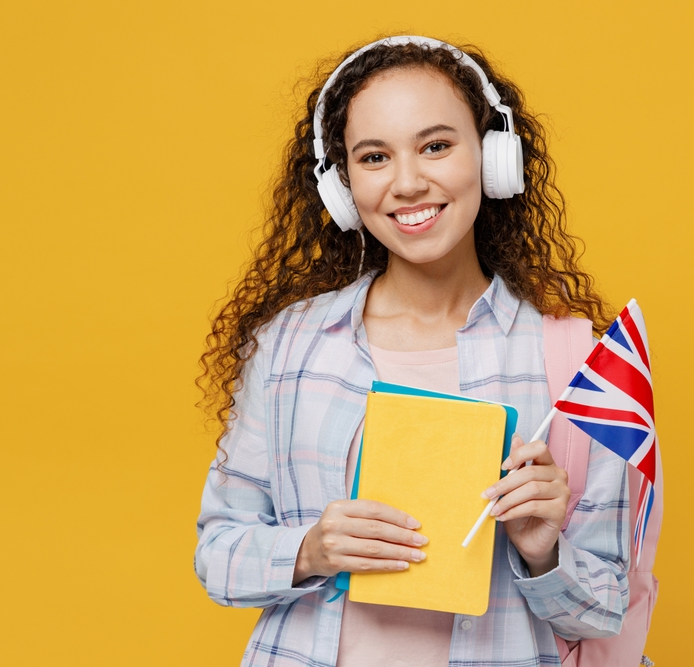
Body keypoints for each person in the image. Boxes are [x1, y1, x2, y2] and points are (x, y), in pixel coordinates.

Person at [195, 35, 630, 667]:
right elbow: (217, 554)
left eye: (436, 145)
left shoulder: (571, 360)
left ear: (492, 154)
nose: (407, 182)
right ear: (343, 187)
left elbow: (605, 609)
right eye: (374, 157)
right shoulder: (290, 344)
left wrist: (543, 551)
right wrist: (310, 550)